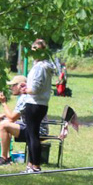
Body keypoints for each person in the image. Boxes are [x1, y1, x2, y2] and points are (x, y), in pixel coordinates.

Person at [23, 39, 58, 173]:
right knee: (31, 134)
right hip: (40, 103)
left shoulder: (39, 67)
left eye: (34, 49)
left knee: (32, 135)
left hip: (34, 103)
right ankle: (31, 164)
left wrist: (25, 90)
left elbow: (35, 89)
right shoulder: (44, 66)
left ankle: (35, 165)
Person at [0, 75, 31, 166]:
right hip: (33, 127)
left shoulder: (24, 97)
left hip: (35, 131)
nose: (11, 88)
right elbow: (18, 116)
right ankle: (6, 157)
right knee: (5, 122)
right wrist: (5, 116)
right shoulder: (26, 96)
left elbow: (12, 118)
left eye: (13, 85)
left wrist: (3, 103)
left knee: (4, 125)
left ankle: (4, 158)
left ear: (20, 85)